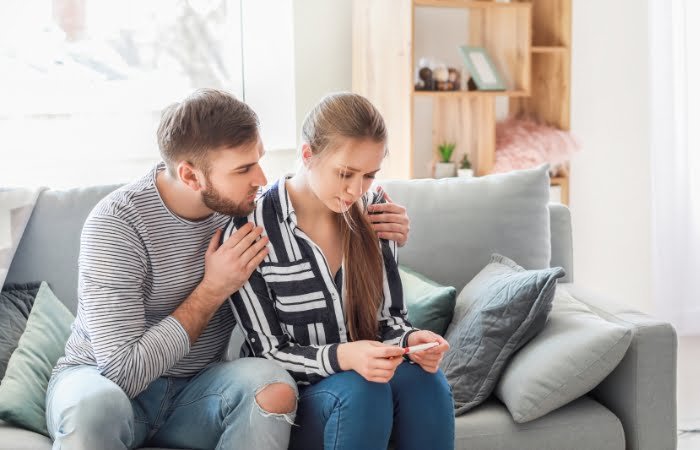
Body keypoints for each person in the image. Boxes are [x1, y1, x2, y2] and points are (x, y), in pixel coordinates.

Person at [45, 88, 412, 450]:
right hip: (100, 381)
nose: (261, 178)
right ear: (191, 176)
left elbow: (311, 183)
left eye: (259, 159)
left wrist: (380, 223)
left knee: (272, 384)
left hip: (200, 388)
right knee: (96, 407)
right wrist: (211, 290)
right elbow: (122, 372)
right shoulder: (117, 224)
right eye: (244, 169)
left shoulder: (243, 207)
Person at [225, 92, 455, 450]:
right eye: (345, 173)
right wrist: (344, 357)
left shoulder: (376, 211)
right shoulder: (252, 230)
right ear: (307, 155)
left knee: (427, 381)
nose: (356, 190)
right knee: (363, 390)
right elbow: (267, 353)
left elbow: (389, 322)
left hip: (367, 389)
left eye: (369, 175)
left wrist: (411, 342)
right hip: (303, 402)